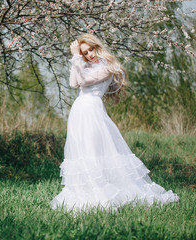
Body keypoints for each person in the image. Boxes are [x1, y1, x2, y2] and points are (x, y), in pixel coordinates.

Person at [50, 34, 179, 213]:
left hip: (92, 110)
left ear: (97, 47)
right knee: (82, 149)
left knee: (94, 149)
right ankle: (87, 191)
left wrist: (76, 58)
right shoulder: (84, 65)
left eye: (90, 50)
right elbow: (73, 83)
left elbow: (84, 82)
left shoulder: (108, 67)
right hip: (78, 111)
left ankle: (104, 191)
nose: (89, 55)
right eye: (85, 53)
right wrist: (76, 60)